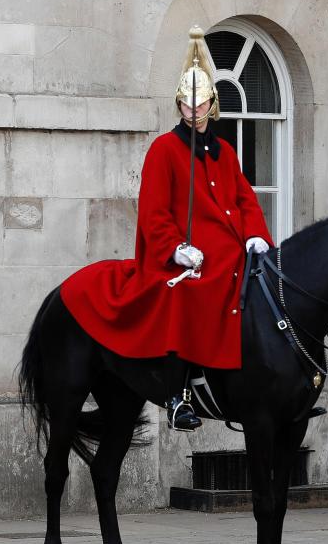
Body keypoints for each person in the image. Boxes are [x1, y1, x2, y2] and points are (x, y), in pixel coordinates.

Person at [60, 27, 274, 431]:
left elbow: (245, 200)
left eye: (201, 103)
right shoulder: (164, 150)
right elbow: (154, 211)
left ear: (212, 104)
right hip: (184, 258)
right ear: (179, 105)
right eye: (186, 104)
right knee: (188, 292)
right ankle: (178, 395)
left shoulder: (225, 152)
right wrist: (176, 248)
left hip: (230, 250)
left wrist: (254, 234)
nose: (194, 110)